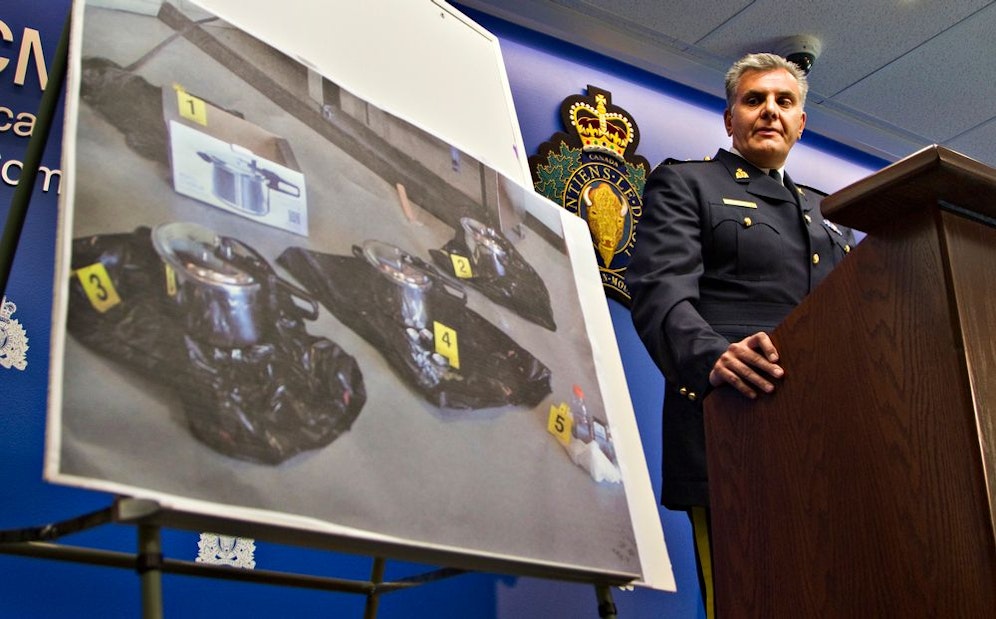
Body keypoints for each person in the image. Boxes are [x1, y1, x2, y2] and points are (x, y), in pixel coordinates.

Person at [626, 52, 855, 617]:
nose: (770, 111)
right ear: (731, 119)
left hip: (829, 435)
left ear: (801, 123)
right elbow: (660, 291)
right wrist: (712, 357)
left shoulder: (828, 213)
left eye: (784, 101)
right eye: (755, 100)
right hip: (733, 418)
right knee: (747, 596)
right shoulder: (688, 183)